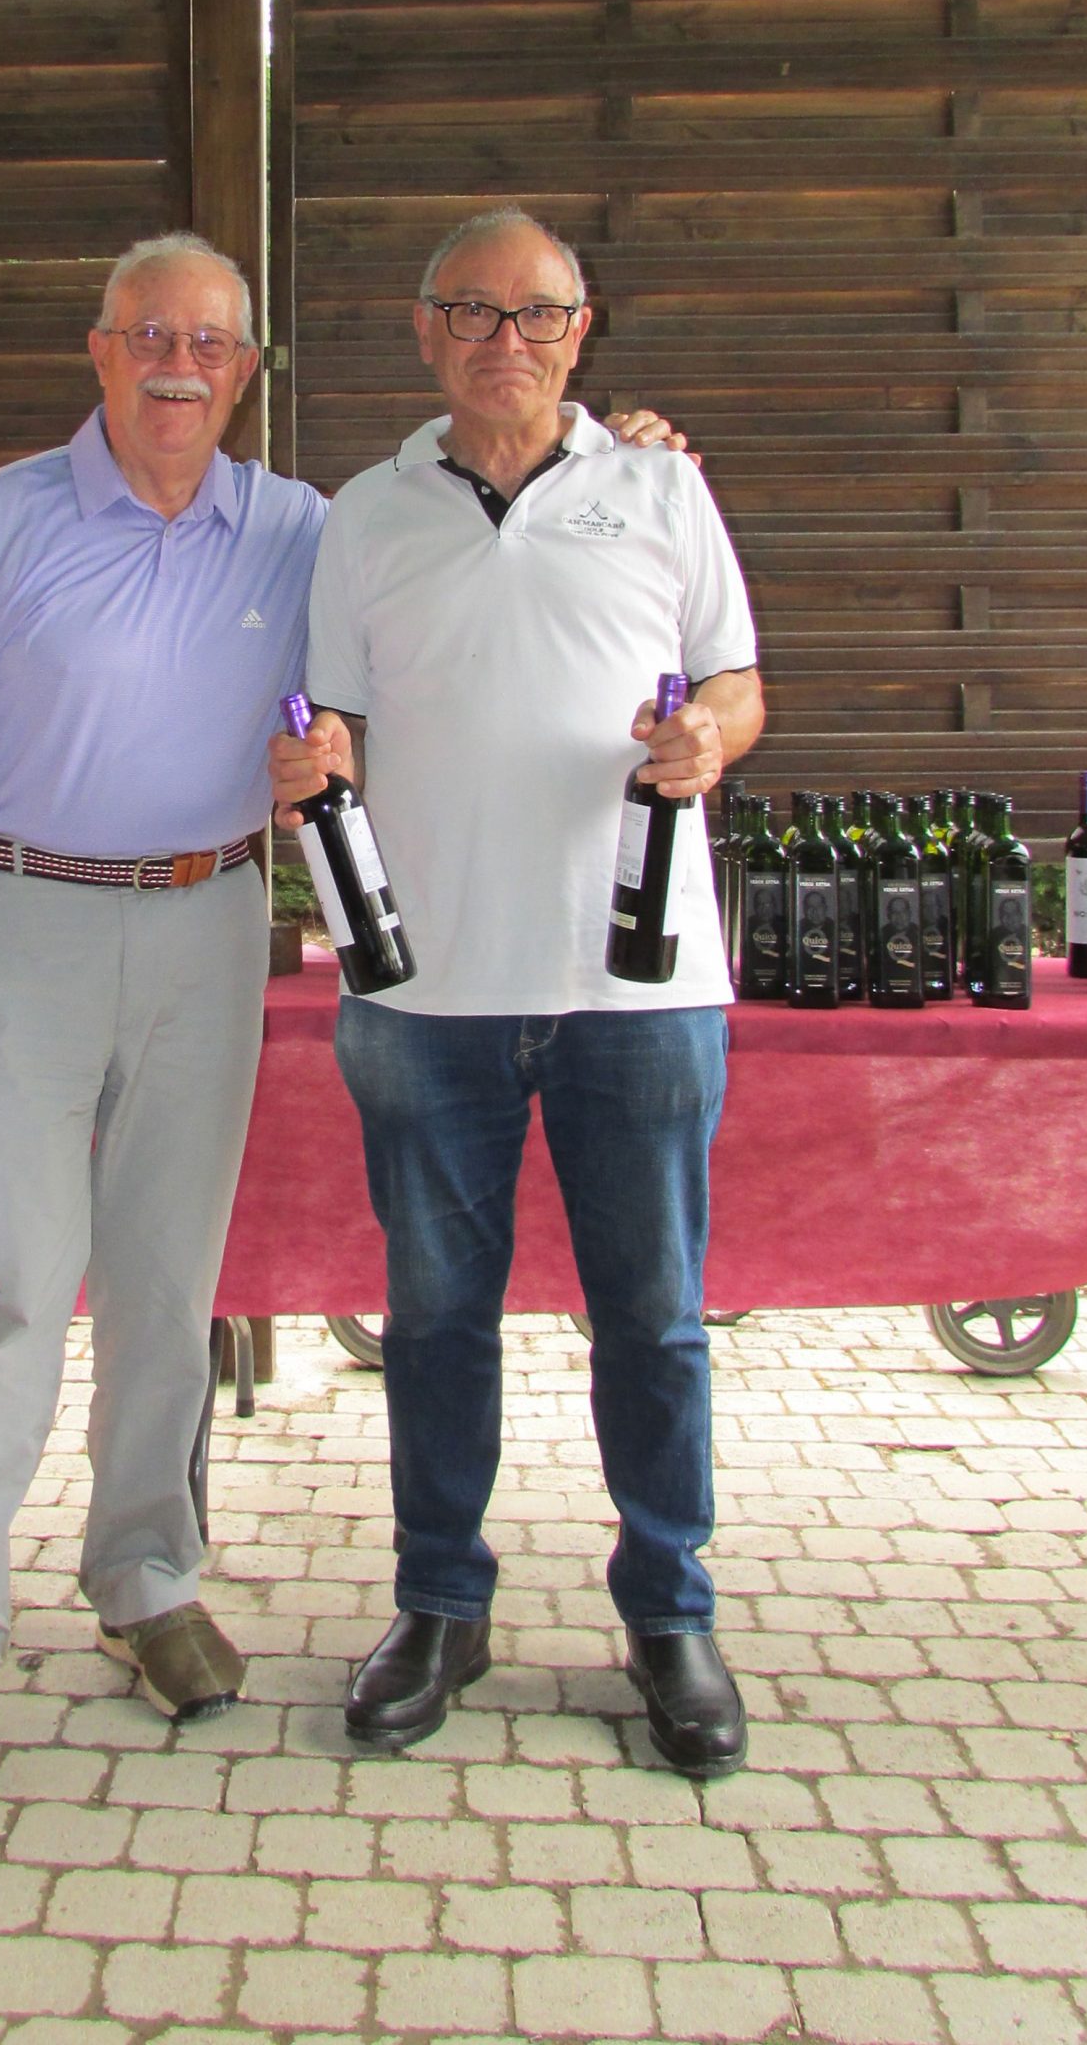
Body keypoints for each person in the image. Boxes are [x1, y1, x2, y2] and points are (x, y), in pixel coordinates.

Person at [0, 227, 690, 1805]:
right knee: (0, 1286)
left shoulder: (301, 527)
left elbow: (469, 525)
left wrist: (619, 451)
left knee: (168, 1286)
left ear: (246, 371)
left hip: (210, 921)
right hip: (14, 924)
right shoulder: (4, 518)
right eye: (151, 335)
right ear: (101, 351)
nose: (181, 365)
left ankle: (146, 1581)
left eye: (212, 343)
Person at [269, 206, 765, 1780]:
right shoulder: (363, 514)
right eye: (473, 311)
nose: (507, 338)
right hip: (424, 992)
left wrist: (712, 737)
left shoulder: (661, 486)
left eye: (538, 311)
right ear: (425, 331)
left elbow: (737, 677)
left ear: (581, 328)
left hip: (643, 983)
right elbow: (332, 720)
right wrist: (312, 758)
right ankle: (440, 1605)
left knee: (655, 1321)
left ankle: (669, 1616)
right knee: (433, 1320)